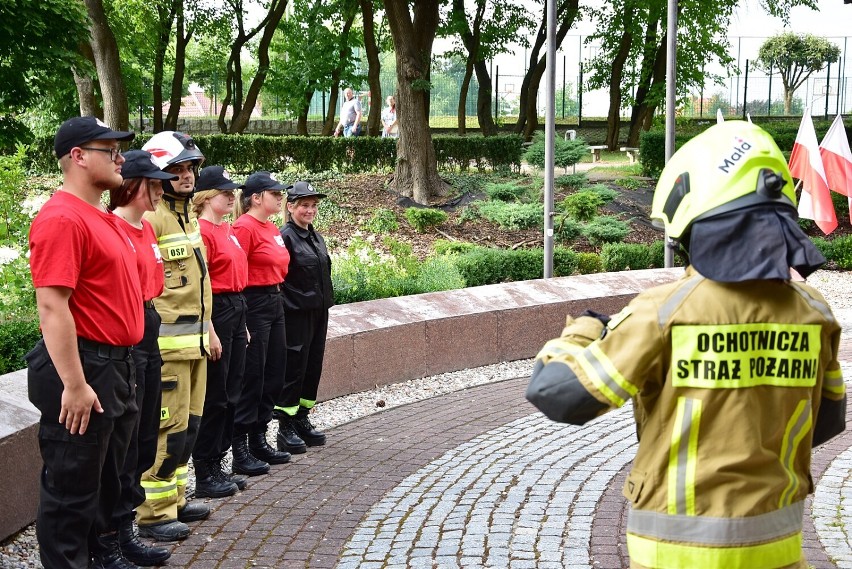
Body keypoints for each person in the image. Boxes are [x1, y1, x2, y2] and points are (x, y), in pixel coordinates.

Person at [526, 120, 847, 569]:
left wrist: (583, 330)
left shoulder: (664, 311)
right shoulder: (815, 312)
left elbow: (558, 396)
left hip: (673, 555)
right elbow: (827, 422)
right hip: (779, 550)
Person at [26, 116, 142, 569]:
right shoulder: (62, 218)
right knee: (71, 493)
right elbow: (53, 307)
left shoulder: (99, 217)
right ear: (78, 156)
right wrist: (74, 383)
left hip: (113, 366)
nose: (120, 159)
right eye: (109, 151)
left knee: (104, 483)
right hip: (85, 367)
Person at [136, 131, 215, 542]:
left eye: (190, 167)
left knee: (189, 428)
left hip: (197, 345)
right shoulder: (153, 218)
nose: (186, 175)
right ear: (159, 173)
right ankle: (154, 512)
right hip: (168, 350)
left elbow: (198, 285)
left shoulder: (188, 216)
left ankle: (177, 498)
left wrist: (212, 332)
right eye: (176, 169)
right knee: (168, 429)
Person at [107, 150, 176, 567]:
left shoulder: (146, 230)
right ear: (133, 186)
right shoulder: (114, 228)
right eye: (153, 184)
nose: (160, 191)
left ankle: (126, 528)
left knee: (147, 431)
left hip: (149, 324)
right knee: (126, 439)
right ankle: (113, 536)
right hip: (126, 333)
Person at [190, 166, 250, 496]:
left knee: (232, 392)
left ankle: (219, 462)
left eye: (232, 192)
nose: (231, 196)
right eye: (224, 192)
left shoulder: (225, 230)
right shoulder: (202, 232)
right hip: (218, 311)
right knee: (215, 395)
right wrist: (210, 329)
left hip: (236, 310)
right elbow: (202, 286)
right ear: (206, 197)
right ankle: (206, 469)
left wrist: (242, 326)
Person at [231, 171, 292, 473]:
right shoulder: (244, 227)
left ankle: (259, 438)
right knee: (253, 375)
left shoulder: (271, 228)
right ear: (256, 198)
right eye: (275, 193)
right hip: (253, 302)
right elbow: (235, 272)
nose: (281, 197)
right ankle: (240, 447)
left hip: (274, 300)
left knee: (274, 372)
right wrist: (241, 317)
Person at [274, 181, 334, 453]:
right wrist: (291, 305)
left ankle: (302, 418)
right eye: (304, 206)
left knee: (312, 367)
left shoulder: (315, 236)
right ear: (290, 207)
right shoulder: (285, 236)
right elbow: (278, 279)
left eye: (313, 206)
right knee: (294, 368)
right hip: (296, 314)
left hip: (318, 312)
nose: (310, 211)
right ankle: (285, 426)